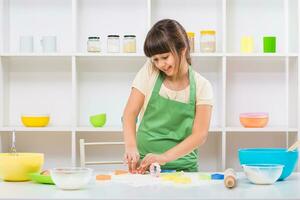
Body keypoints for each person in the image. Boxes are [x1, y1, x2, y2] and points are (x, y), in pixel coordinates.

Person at [122, 19, 213, 174]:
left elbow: (200, 135)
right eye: (155, 59)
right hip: (145, 167)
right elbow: (129, 114)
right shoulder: (150, 71)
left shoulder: (202, 85)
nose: (160, 64)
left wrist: (164, 157)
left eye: (165, 57)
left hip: (184, 169)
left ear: (182, 49)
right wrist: (131, 146)